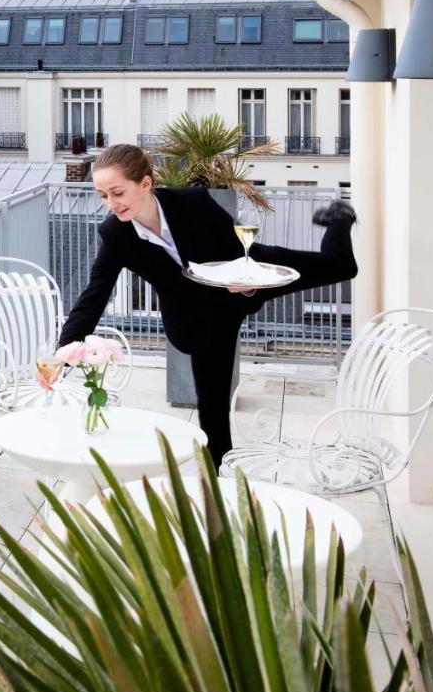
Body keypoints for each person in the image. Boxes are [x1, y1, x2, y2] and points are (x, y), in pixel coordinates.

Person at [58, 143, 358, 466]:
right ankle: (221, 486)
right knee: (212, 412)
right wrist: (61, 356)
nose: (111, 204)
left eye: (117, 193)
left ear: (145, 183)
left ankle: (339, 220)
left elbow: (235, 249)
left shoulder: (194, 203)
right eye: (103, 196)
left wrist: (246, 287)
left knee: (341, 266)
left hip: (242, 274)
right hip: (197, 323)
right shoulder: (116, 236)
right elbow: (94, 296)